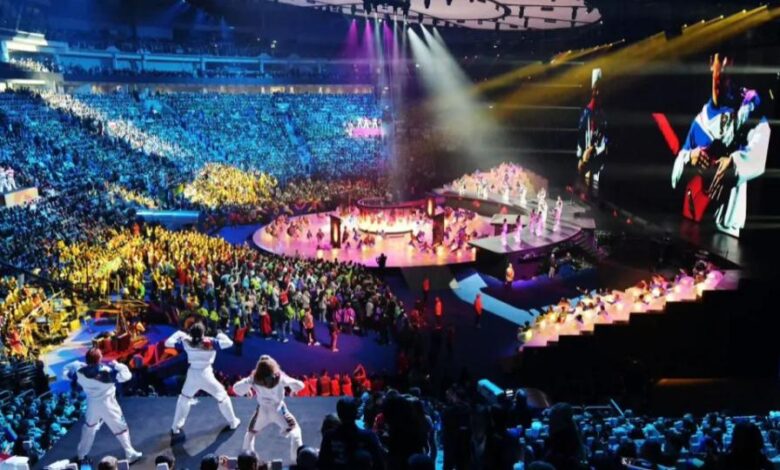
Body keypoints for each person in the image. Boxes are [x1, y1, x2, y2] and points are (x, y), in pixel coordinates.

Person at [63, 348, 143, 463]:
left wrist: (76, 364)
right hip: (109, 405)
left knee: (89, 428)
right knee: (121, 429)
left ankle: (81, 455)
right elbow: (126, 376)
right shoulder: (107, 372)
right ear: (99, 359)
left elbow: (65, 372)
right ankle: (130, 453)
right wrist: (117, 365)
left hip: (92, 405)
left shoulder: (79, 372)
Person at [165, 322, 241, 435]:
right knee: (223, 397)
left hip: (192, 374)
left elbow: (167, 342)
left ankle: (175, 427)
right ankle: (233, 422)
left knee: (184, 399)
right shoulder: (211, 342)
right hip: (206, 374)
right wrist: (220, 334)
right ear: (203, 333)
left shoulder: (186, 342)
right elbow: (229, 343)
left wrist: (179, 333)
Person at [233, 355, 305, 463]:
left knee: (250, 433)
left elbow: (236, 389)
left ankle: (247, 463)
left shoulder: (253, 378)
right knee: (296, 432)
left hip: (262, 411)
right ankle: (296, 461)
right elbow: (300, 385)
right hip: (278, 410)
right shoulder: (280, 378)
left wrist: (247, 389)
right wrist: (293, 390)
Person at [318, 397, 385, 469]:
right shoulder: (368, 436)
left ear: (339, 414)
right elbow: (379, 464)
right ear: (356, 413)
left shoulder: (329, 437)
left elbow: (322, 464)